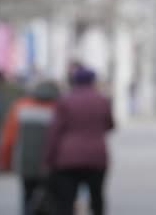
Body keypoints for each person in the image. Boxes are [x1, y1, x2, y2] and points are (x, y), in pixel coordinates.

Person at [45, 67, 114, 215]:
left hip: (68, 158)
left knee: (66, 201)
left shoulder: (65, 100)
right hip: (96, 157)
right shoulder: (102, 100)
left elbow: (54, 131)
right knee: (97, 198)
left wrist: (49, 158)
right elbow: (110, 125)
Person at [0, 80, 60, 215]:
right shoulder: (60, 107)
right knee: (52, 200)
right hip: (53, 164)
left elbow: (8, 138)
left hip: (26, 162)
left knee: (27, 197)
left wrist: (4, 162)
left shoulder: (21, 106)